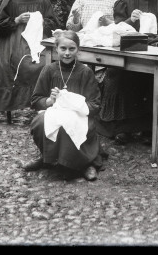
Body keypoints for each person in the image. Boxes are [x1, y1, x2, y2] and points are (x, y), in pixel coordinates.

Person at [98, 0, 158, 145]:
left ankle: (147, 128)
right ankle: (122, 128)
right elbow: (117, 30)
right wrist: (130, 19)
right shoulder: (125, 2)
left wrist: (152, 22)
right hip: (127, 53)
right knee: (116, 75)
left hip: (152, 54)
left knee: (148, 80)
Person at [0, 0, 60, 123]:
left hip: (37, 42)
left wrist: (38, 21)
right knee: (9, 64)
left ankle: (39, 104)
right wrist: (17, 20)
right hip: (13, 42)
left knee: (40, 65)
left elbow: (53, 23)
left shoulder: (43, 1)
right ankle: (10, 105)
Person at [23, 31, 103, 181]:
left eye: (71, 49)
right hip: (55, 112)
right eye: (63, 49)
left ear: (78, 50)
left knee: (70, 124)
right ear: (56, 49)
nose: (67, 53)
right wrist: (49, 101)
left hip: (79, 116)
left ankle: (84, 163)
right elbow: (36, 99)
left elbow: (95, 105)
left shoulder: (85, 72)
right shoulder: (49, 70)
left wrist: (75, 104)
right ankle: (47, 157)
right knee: (39, 122)